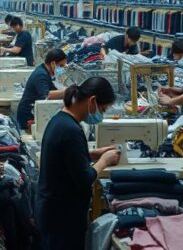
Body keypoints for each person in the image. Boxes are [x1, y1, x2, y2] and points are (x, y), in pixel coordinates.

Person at [37, 77, 122, 249]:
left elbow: (66, 157)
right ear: (92, 101)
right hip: (62, 216)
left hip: (52, 211)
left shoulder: (60, 120)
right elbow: (84, 178)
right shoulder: (71, 130)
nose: (101, 115)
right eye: (102, 109)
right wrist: (104, 161)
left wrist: (93, 154)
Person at [16, 47, 67, 129]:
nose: (62, 68)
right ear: (53, 63)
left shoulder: (44, 71)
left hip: (34, 111)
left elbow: (54, 90)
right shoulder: (41, 75)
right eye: (61, 65)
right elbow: (46, 95)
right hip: (28, 116)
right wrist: (66, 91)